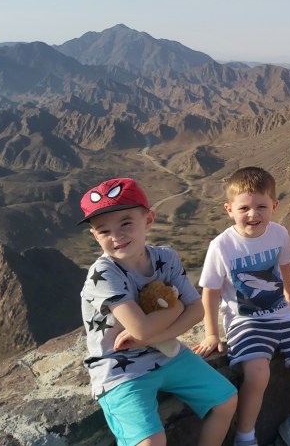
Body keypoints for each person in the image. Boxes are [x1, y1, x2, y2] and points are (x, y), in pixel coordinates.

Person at [79, 177, 237, 446]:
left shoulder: (166, 257)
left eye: (126, 223)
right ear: (94, 235)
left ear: (149, 219)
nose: (116, 236)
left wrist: (151, 337)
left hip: (167, 354)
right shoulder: (103, 273)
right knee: (151, 441)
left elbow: (196, 310)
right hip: (118, 369)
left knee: (225, 399)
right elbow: (142, 327)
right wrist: (175, 306)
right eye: (104, 230)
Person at [193, 166, 290, 446]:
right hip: (245, 321)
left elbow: (285, 265)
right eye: (244, 208)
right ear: (229, 209)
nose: (253, 214)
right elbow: (211, 292)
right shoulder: (222, 246)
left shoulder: (278, 234)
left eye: (262, 206)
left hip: (282, 314)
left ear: (274, 206)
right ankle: (246, 436)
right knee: (257, 374)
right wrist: (212, 334)